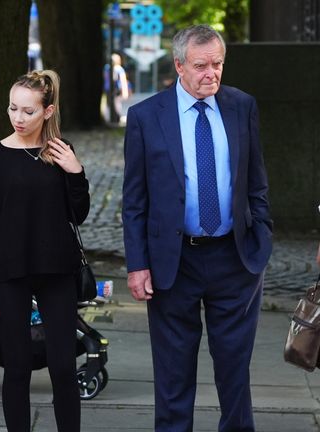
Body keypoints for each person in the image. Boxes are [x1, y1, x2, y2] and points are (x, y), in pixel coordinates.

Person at [122, 24, 272, 432]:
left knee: (235, 371)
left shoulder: (242, 106)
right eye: (201, 65)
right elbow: (134, 200)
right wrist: (137, 264)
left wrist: (261, 236)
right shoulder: (146, 117)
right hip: (174, 260)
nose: (212, 73)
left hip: (235, 258)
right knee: (172, 373)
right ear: (179, 66)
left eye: (218, 64)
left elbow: (256, 182)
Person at [0, 69, 90, 432]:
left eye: (28, 111)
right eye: (13, 109)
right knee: (18, 367)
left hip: (57, 270)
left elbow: (80, 214)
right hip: (11, 272)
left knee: (63, 368)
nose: (18, 118)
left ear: (48, 111)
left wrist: (76, 171)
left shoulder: (60, 151)